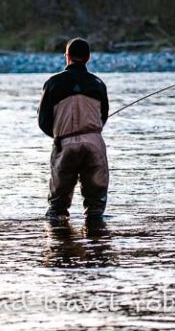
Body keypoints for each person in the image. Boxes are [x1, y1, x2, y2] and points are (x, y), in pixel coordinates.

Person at [37, 37, 110, 221]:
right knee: (95, 208)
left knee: (57, 209)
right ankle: (97, 245)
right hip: (94, 144)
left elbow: (43, 121)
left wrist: (59, 136)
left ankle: (60, 244)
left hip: (64, 144)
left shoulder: (52, 83)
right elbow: (104, 116)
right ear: (88, 58)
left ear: (67, 57)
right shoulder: (98, 84)